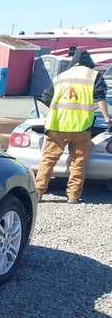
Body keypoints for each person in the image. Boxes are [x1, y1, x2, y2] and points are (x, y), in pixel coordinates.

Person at [36, 48, 111, 203]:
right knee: (78, 162)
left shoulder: (60, 76)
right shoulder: (94, 75)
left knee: (48, 161)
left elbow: (45, 98)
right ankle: (73, 196)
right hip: (81, 127)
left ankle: (38, 193)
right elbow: (100, 99)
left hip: (57, 125)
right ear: (89, 63)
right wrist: (107, 119)